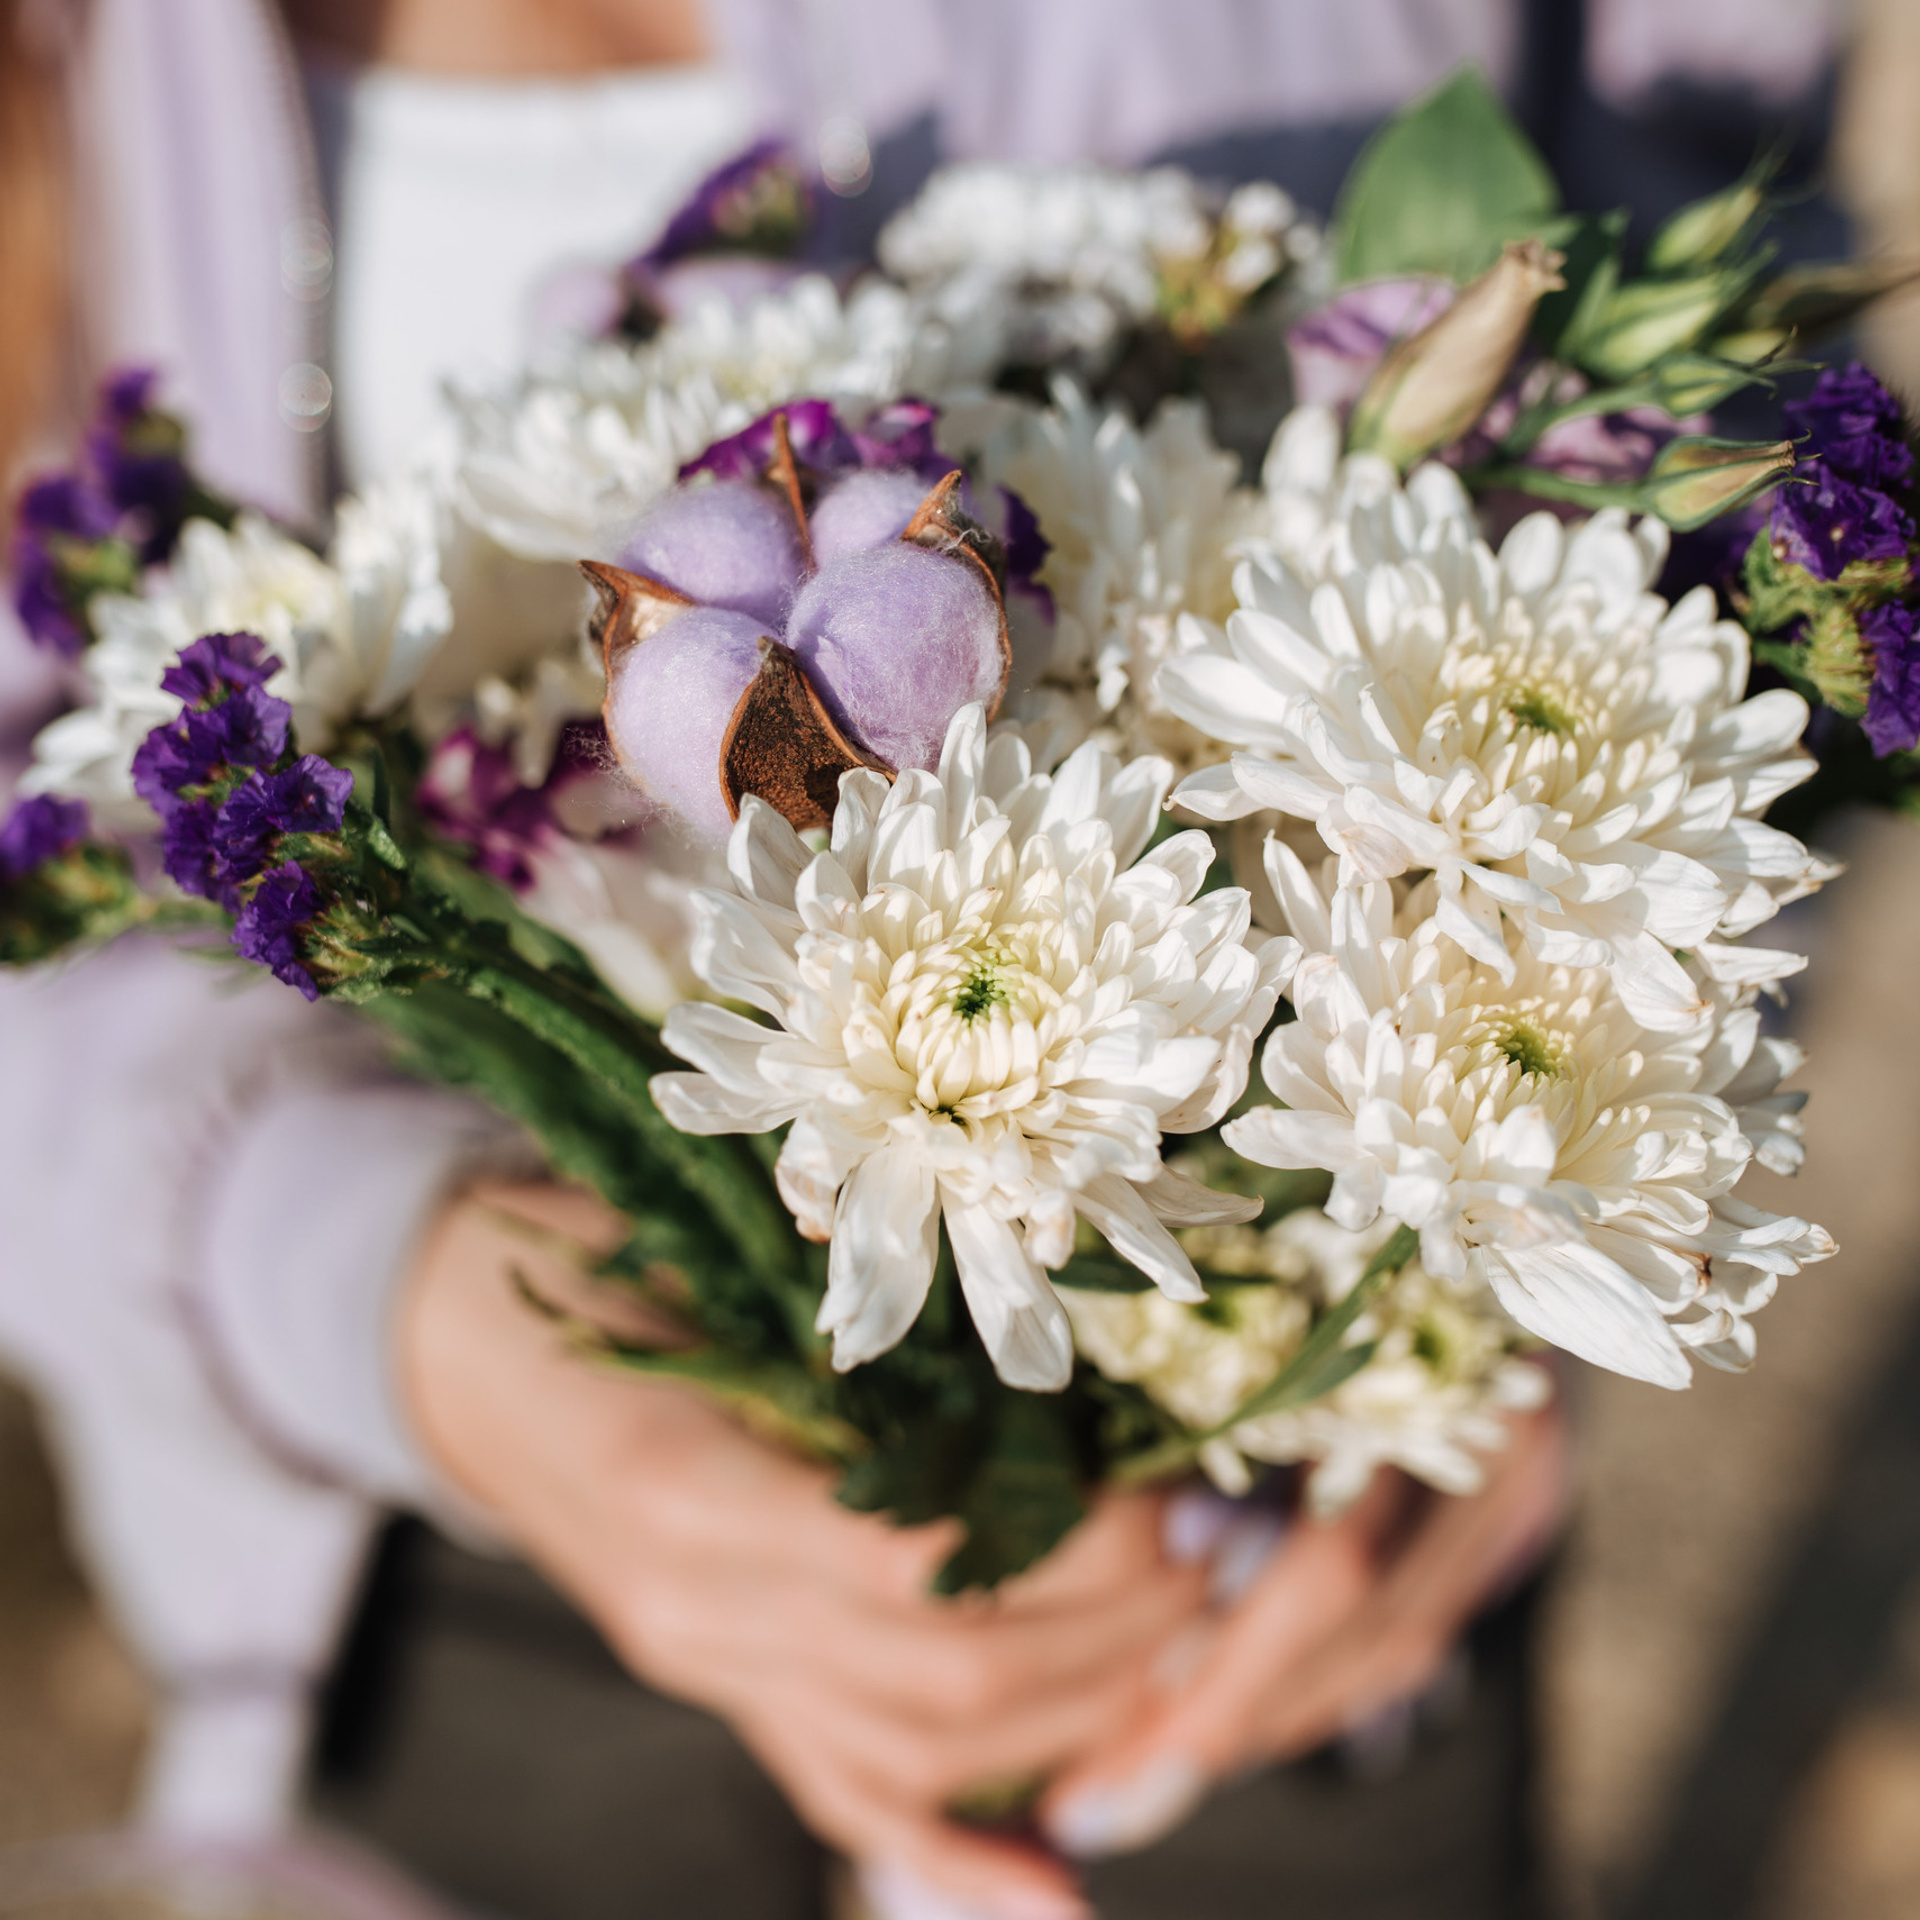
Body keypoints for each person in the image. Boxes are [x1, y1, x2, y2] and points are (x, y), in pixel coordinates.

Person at [0, 2, 1856, 1916]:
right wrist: (379, 1287)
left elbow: (1738, 333)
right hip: (473, 1551)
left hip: (1256, 1581)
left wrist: (1499, 1246)